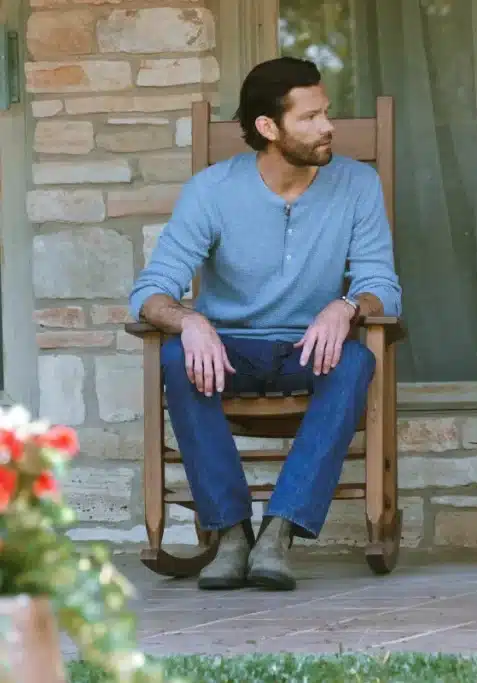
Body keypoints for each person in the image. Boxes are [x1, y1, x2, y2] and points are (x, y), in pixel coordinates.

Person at [128, 56, 401, 591]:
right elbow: (150, 292)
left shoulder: (357, 184)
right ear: (268, 128)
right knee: (177, 358)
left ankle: (279, 532)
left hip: (311, 349)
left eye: (327, 112)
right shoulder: (212, 190)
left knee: (356, 361)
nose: (328, 127)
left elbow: (382, 285)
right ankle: (231, 535)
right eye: (310, 117)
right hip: (230, 351)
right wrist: (189, 322)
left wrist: (345, 306)